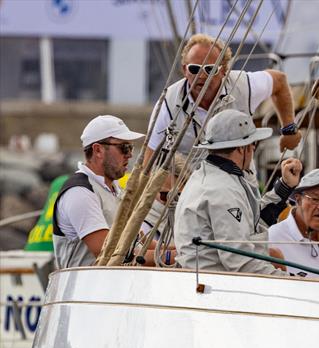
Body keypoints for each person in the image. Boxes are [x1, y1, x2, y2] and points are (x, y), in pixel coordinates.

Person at [144, 33, 301, 165]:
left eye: (210, 69)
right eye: (194, 69)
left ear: (224, 70)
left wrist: (289, 129)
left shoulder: (244, 85)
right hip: (189, 184)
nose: (202, 76)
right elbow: (149, 160)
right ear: (185, 70)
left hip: (238, 180)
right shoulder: (167, 103)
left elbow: (279, 80)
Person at [174, 109, 290, 274]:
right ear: (242, 149)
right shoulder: (222, 190)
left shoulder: (208, 177)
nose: (253, 149)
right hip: (219, 285)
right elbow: (240, 262)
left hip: (210, 281)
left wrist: (284, 187)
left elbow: (253, 222)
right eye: (253, 144)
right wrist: (290, 281)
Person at [52, 115, 171, 269]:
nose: (130, 154)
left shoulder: (114, 189)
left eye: (131, 147)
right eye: (124, 148)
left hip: (114, 282)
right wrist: (170, 257)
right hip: (88, 284)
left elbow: (137, 241)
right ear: (98, 150)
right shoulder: (80, 193)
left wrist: (182, 251)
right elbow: (108, 254)